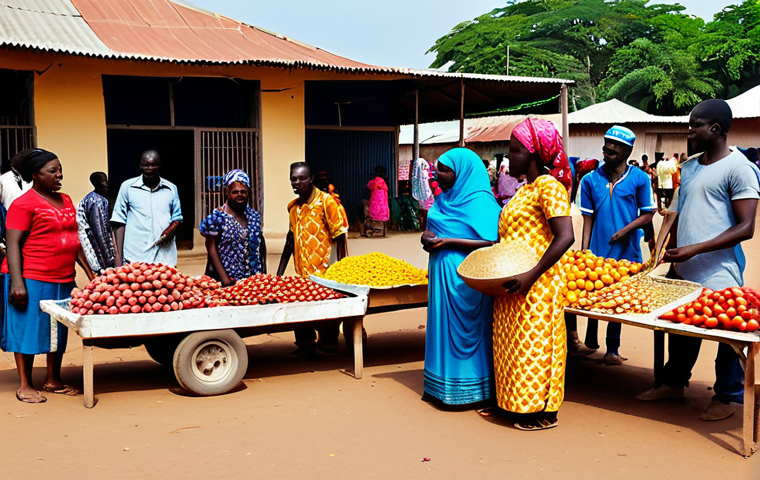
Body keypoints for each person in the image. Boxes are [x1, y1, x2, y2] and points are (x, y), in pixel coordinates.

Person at [637, 99, 760, 421]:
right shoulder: (689, 167)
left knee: (727, 336)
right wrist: (666, 252)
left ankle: (727, 396)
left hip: (720, 271)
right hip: (683, 268)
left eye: (696, 125)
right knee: (680, 329)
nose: (689, 131)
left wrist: (696, 249)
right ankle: (674, 383)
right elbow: (675, 215)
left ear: (716, 129)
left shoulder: (740, 168)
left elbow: (746, 227)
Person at [484, 118, 575, 430]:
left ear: (535, 153)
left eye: (515, 150)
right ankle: (513, 405)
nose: (510, 157)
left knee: (535, 345)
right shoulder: (525, 190)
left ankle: (542, 411)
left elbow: (565, 236)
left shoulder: (549, 187)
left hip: (538, 284)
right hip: (515, 281)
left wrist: (531, 275)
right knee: (512, 343)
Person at [1, 148, 93, 403]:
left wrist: (91, 274)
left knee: (57, 330)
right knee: (28, 330)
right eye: (52, 171)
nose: (59, 175)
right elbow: (13, 244)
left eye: (60, 169)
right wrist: (17, 283)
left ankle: (53, 379)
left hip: (62, 277)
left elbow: (74, 242)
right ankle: (25, 385)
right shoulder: (22, 204)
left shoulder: (65, 200)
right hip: (31, 278)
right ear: (35, 175)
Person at [420, 148, 501, 407]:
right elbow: (433, 225)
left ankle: (473, 390)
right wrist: (427, 237)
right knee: (442, 328)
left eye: (444, 170)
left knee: (469, 330)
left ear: (463, 171)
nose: (437, 174)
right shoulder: (444, 198)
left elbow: (491, 240)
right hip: (441, 273)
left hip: (469, 277)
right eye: (438, 168)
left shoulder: (481, 201)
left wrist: (448, 242)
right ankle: (441, 386)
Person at [568, 126, 656, 364]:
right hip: (597, 250)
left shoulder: (640, 178)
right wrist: (584, 251)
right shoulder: (589, 180)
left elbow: (647, 214)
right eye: (606, 147)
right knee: (594, 296)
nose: (608, 152)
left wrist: (625, 231)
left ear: (627, 151)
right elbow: (588, 218)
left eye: (614, 149)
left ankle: (612, 349)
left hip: (627, 252)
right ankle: (591, 340)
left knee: (617, 301)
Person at [277, 162, 348, 355]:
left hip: (325, 272)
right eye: (293, 178)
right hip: (302, 273)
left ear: (311, 179)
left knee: (327, 310)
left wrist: (342, 271)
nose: (296, 182)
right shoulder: (293, 208)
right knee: (299, 305)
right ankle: (306, 343)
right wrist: (279, 274)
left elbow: (340, 237)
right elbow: (290, 240)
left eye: (301, 178)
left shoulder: (326, 202)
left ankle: (328, 344)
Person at [111, 150, 182, 266]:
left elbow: (177, 216)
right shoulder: (127, 187)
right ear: (140, 165)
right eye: (145, 164)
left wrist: (171, 229)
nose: (149, 168)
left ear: (159, 165)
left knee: (165, 284)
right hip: (135, 256)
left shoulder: (171, 188)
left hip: (164, 257)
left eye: (153, 164)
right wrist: (118, 258)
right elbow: (119, 220)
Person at [199, 169, 266, 286]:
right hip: (227, 282)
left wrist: (262, 275)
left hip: (253, 282)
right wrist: (226, 280)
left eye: (243, 191)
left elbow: (260, 245)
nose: (239, 195)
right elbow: (211, 248)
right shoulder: (217, 218)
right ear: (227, 192)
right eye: (235, 192)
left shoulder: (253, 217)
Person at [77, 172, 117, 274]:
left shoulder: (97, 199)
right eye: (104, 183)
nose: (107, 185)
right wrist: (110, 262)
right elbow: (101, 234)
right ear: (98, 184)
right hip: (102, 260)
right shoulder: (96, 201)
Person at [411, 158, 434, 230]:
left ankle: (424, 225)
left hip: (420, 196)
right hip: (427, 195)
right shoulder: (425, 173)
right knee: (427, 212)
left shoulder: (415, 174)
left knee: (424, 211)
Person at [366, 166, 390, 235]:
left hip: (374, 209)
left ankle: (370, 228)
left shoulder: (372, 183)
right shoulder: (385, 183)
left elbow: (367, 191)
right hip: (384, 210)